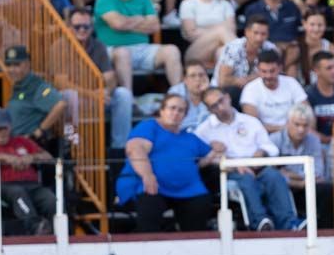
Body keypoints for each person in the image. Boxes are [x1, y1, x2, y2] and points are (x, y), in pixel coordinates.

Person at [195, 87, 303, 231]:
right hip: (229, 172)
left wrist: (262, 151)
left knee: (274, 177)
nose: (220, 107)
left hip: (258, 166)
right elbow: (202, 160)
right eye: (214, 105)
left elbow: (272, 148)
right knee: (246, 179)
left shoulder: (251, 121)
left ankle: (290, 223)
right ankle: (259, 222)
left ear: (228, 97)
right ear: (209, 110)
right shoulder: (203, 131)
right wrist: (230, 163)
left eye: (221, 101)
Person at [115, 93, 224, 232]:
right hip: (152, 186)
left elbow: (210, 158)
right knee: (150, 203)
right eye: (172, 108)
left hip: (188, 190)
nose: (176, 113)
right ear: (162, 110)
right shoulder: (149, 127)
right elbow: (135, 150)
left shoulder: (190, 137)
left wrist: (217, 149)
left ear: (185, 115)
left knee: (201, 204)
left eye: (181, 110)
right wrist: (147, 175)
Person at [0, 108, 56, 236]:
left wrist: (31, 157)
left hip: (31, 184)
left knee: (50, 199)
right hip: (2, 186)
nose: (1, 132)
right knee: (17, 192)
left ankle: (58, 232)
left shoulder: (22, 141)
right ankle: (34, 228)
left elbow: (48, 156)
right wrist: (4, 157)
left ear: (10, 127)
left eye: (4, 128)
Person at [66, 7, 133, 150]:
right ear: (69, 27)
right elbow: (61, 83)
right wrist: (92, 94)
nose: (82, 30)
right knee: (68, 96)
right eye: (77, 27)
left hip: (97, 97)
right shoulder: (59, 47)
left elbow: (110, 77)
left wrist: (106, 91)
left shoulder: (98, 46)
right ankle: (71, 145)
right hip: (76, 99)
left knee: (124, 95)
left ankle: (120, 149)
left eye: (86, 26)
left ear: (91, 27)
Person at [93, 0, 182, 90]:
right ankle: (128, 98)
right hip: (113, 49)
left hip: (142, 48)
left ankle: (179, 95)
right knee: (123, 53)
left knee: (172, 51)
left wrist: (126, 23)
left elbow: (154, 26)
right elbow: (118, 24)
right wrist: (141, 19)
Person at [271, 101, 334, 227]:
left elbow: (317, 171)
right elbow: (272, 174)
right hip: (282, 189)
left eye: (305, 126)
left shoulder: (313, 140)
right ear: (287, 123)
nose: (301, 129)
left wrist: (291, 175)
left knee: (328, 189)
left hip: (306, 186)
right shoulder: (274, 139)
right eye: (297, 124)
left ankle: (325, 230)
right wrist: (300, 180)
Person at [2, 45, 66, 145]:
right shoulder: (19, 85)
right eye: (8, 65)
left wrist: (39, 131)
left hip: (29, 146)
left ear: (27, 64)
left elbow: (60, 105)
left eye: (16, 65)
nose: (11, 69)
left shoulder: (36, 86)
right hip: (15, 144)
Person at [239, 49, 306, 133]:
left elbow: (306, 111)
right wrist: (285, 128)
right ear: (258, 70)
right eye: (264, 71)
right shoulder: (250, 89)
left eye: (272, 71)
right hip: (264, 135)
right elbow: (252, 124)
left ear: (280, 68)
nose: (268, 75)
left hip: (294, 134)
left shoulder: (291, 83)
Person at [244, 0, 301, 75]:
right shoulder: (252, 9)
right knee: (276, 50)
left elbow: (309, 19)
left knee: (294, 57)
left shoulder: (292, 6)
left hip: (290, 52)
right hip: (264, 49)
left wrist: (298, 0)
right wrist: (277, 45)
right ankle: (278, 71)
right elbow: (251, 35)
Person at [215, 14, 277, 92]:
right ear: (247, 32)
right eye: (255, 33)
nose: (259, 38)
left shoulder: (270, 49)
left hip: (255, 90)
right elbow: (223, 81)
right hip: (225, 91)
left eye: (263, 34)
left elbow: (276, 74)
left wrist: (246, 80)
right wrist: (255, 77)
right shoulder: (233, 48)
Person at [177, 0, 234, 66]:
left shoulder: (225, 4)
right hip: (195, 52)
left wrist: (205, 30)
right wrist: (218, 30)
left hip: (220, 48)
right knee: (222, 31)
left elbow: (231, 30)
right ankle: (242, 57)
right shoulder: (187, 4)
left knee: (222, 52)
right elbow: (191, 34)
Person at [167, 57, 212, 131]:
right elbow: (171, 121)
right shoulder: (176, 92)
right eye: (193, 76)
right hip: (181, 134)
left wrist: (207, 94)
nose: (198, 79)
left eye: (201, 75)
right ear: (185, 79)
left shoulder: (213, 92)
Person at [295, 4, 333, 85]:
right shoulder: (295, 47)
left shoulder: (330, 47)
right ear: (304, 24)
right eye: (312, 25)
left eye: (320, 25)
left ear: (325, 25)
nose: (316, 29)